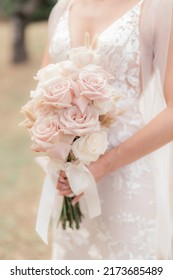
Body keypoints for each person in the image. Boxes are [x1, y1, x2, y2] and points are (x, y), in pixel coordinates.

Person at [40, 0, 173, 259]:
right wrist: (56, 150)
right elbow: (42, 93)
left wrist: (104, 165)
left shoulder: (157, 8)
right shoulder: (62, 9)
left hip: (127, 172)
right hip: (69, 176)